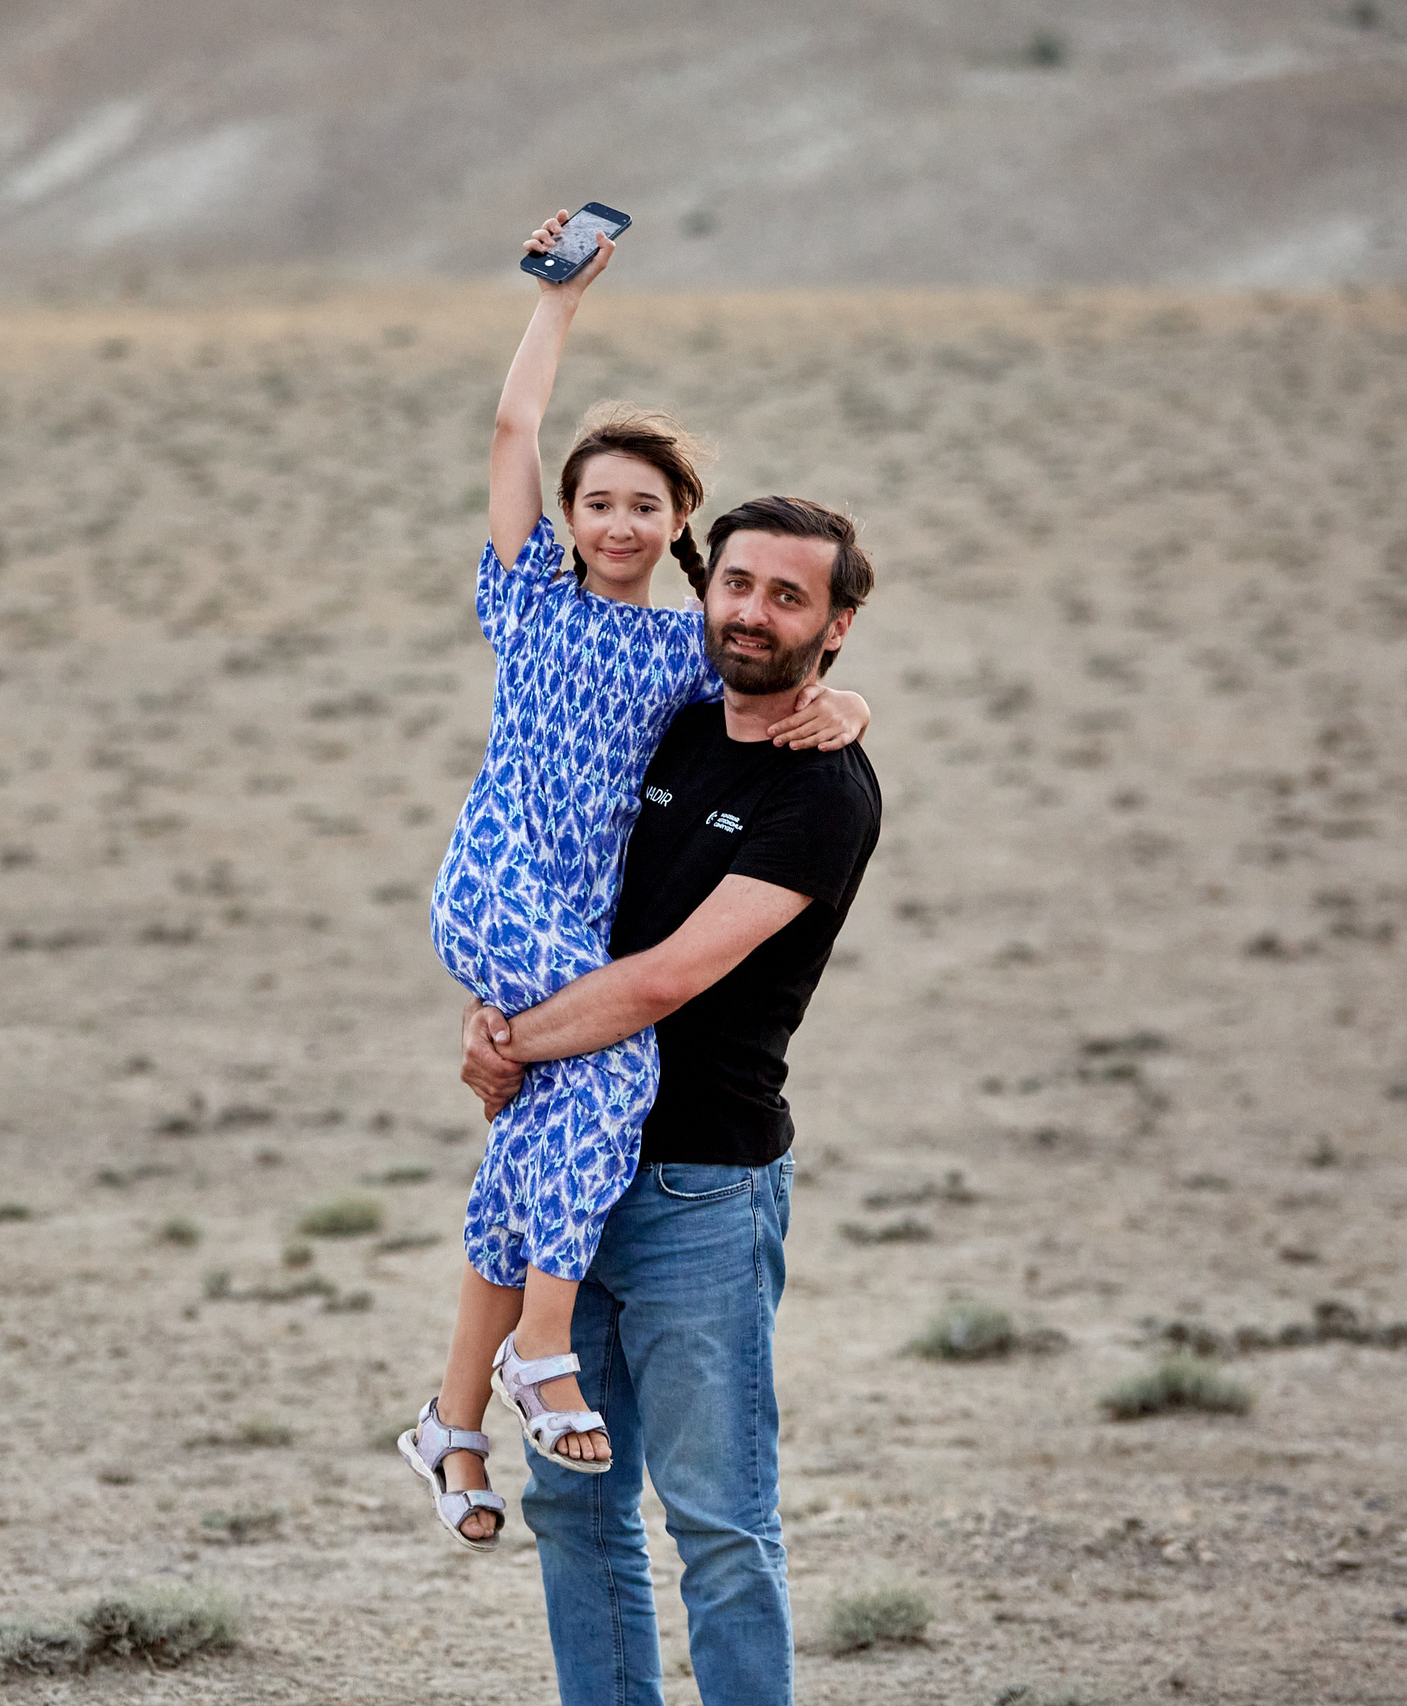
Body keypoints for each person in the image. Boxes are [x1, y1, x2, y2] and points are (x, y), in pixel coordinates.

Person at [401, 211, 872, 1555]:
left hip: (574, 917)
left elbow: (772, 669)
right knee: (617, 1068)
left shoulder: (682, 649)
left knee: (534, 1125)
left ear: (678, 534)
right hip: (495, 884)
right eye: (595, 498)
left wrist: (848, 705)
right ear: (566, 518)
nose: (616, 517)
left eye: (645, 506)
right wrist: (557, 303)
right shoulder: (525, 599)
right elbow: (508, 436)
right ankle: (543, 1348)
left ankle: (449, 1419)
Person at [461, 494, 882, 1706]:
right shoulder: (673, 722)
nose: (751, 612)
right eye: (736, 583)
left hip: (705, 1183)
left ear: (836, 625)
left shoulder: (825, 793)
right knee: (575, 1510)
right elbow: (552, 876)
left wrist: (511, 1048)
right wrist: (493, 1012)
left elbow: (663, 978)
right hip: (572, 1169)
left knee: (719, 1521)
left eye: (788, 595)